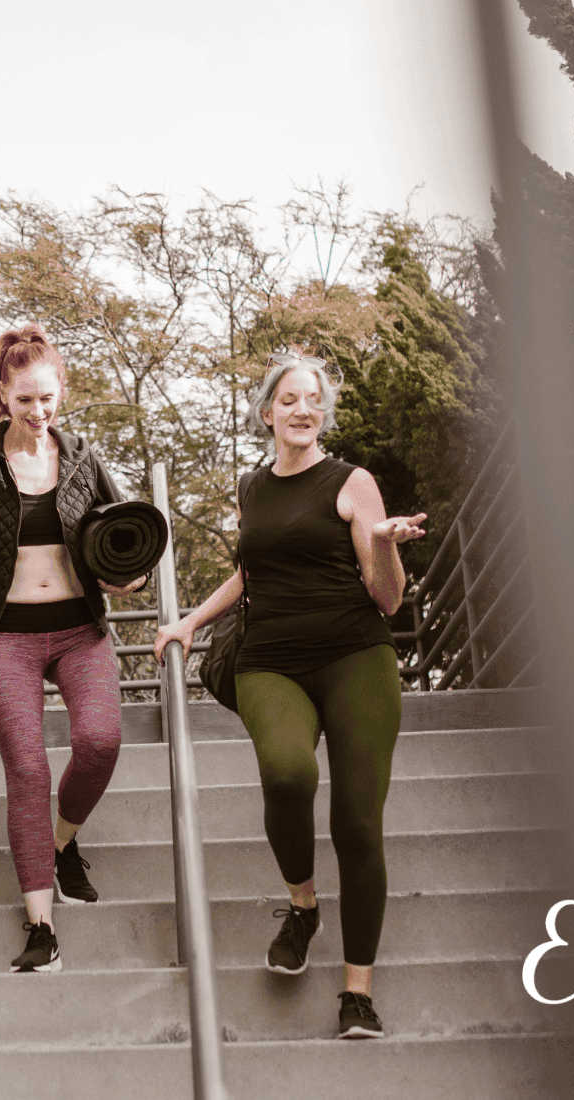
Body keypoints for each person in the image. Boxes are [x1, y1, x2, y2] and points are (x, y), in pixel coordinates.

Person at [153, 350, 426, 1040]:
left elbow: (387, 600)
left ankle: (356, 993)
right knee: (286, 772)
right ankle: (302, 906)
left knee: (358, 822)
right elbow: (249, 573)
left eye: (314, 400)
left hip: (354, 654)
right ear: (267, 411)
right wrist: (189, 620)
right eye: (290, 399)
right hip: (270, 658)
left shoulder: (352, 482)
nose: (304, 409)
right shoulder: (252, 487)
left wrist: (387, 545)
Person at [0, 324, 146, 974]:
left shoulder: (85, 459)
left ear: (62, 392)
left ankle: (63, 843)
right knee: (28, 772)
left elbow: (128, 538)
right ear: (1, 393)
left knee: (99, 742)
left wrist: (131, 574)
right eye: (25, 399)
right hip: (7, 638)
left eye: (47, 398)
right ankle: (40, 926)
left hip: (79, 632)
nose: (38, 411)